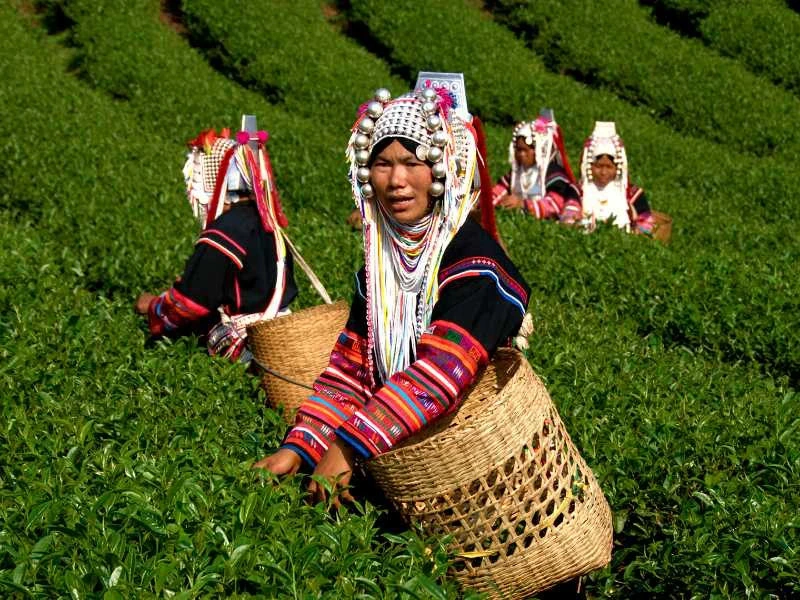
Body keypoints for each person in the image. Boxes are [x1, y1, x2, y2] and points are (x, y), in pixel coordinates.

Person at [253, 87, 531, 505]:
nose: (397, 180)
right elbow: (352, 369)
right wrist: (301, 446)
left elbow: (440, 372)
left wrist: (348, 447)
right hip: (403, 465)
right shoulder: (380, 263)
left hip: (481, 474)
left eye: (411, 163)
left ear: (440, 170)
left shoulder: (476, 264)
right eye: (382, 163)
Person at [135, 126, 297, 363]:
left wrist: (154, 308)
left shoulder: (225, 231)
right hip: (282, 333)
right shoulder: (268, 223)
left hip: (248, 346)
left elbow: (190, 304)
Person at [492, 112, 581, 224]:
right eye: (519, 150)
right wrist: (486, 204)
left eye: (526, 150)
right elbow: (498, 191)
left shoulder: (552, 173)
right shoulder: (516, 172)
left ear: (539, 148)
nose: (522, 154)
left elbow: (555, 204)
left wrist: (524, 205)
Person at [578, 121, 655, 235]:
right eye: (599, 166)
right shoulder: (579, 190)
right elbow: (568, 218)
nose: (604, 172)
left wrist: (637, 233)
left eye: (609, 167)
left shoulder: (632, 193)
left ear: (618, 167)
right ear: (590, 165)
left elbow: (647, 222)